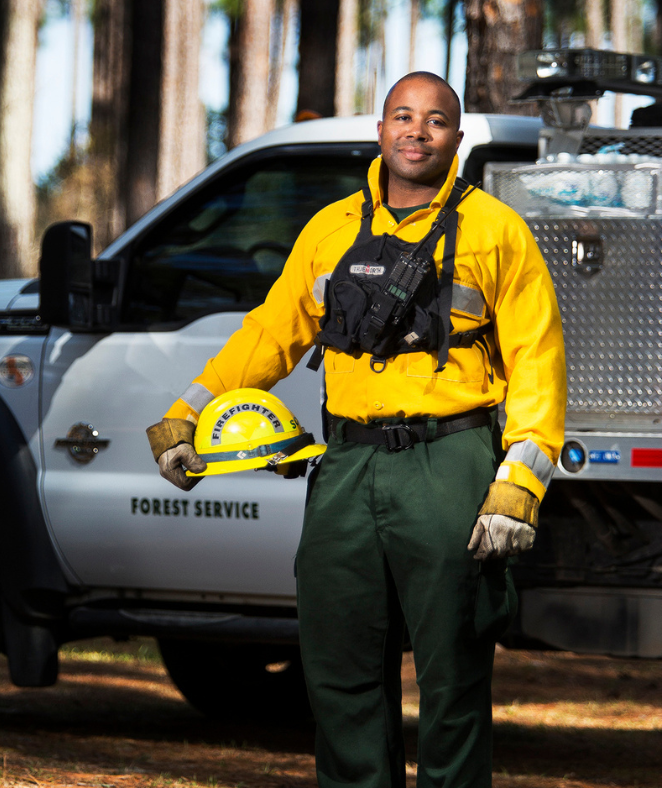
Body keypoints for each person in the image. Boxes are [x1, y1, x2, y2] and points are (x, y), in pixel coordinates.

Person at [146, 72, 565, 788]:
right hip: (345, 466)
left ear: (455, 141)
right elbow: (269, 335)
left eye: (435, 120)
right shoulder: (331, 230)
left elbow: (538, 362)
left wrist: (517, 485)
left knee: (453, 674)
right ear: (380, 131)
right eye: (402, 116)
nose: (417, 131)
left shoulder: (498, 232)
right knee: (338, 671)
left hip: (451, 462)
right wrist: (187, 411)